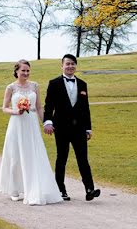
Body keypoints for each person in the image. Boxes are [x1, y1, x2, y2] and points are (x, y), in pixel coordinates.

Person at [0, 59, 63, 206]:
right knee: (15, 156)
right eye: (23, 71)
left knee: (33, 155)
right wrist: (16, 111)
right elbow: (4, 107)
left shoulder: (34, 86)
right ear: (16, 72)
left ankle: (33, 188)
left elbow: (39, 107)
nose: (26, 73)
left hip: (31, 124)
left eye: (28, 70)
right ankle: (14, 189)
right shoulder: (11, 88)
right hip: (16, 124)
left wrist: (45, 123)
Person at [43, 54, 100, 201]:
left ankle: (89, 189)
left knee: (83, 159)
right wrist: (48, 122)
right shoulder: (54, 83)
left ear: (76, 66)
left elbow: (85, 108)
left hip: (79, 128)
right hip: (60, 127)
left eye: (73, 64)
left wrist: (88, 128)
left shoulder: (82, 84)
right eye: (67, 64)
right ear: (62, 66)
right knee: (62, 158)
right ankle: (61, 190)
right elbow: (48, 105)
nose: (70, 66)